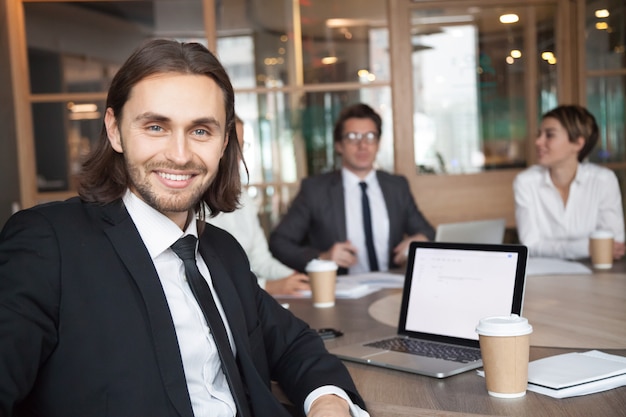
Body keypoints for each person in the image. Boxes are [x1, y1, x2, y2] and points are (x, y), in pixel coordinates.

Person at [0, 39, 368, 417]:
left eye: (201, 131)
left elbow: (293, 344)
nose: (179, 155)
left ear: (225, 141)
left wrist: (328, 401)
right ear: (115, 130)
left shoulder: (222, 250)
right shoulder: (47, 244)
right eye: (156, 126)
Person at [269, 103, 435, 275]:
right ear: (339, 145)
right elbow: (279, 242)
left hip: (390, 287)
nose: (363, 145)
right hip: (338, 291)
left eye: (370, 136)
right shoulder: (315, 190)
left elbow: (427, 231)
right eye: (353, 137)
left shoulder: (397, 186)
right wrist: (322, 257)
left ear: (378, 143)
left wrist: (419, 240)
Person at [208, 116, 310, 295]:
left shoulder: (242, 195)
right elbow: (207, 275)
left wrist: (296, 277)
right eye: (232, 146)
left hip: (249, 297)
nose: (238, 155)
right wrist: (267, 286)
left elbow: (261, 261)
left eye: (241, 146)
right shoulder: (191, 202)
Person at [513, 104, 625, 260]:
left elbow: (615, 244)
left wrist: (552, 247)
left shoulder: (603, 180)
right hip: (543, 277)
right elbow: (530, 245)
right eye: (539, 134)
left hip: (596, 273)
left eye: (549, 135)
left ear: (578, 144)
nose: (538, 142)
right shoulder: (526, 182)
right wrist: (587, 247)